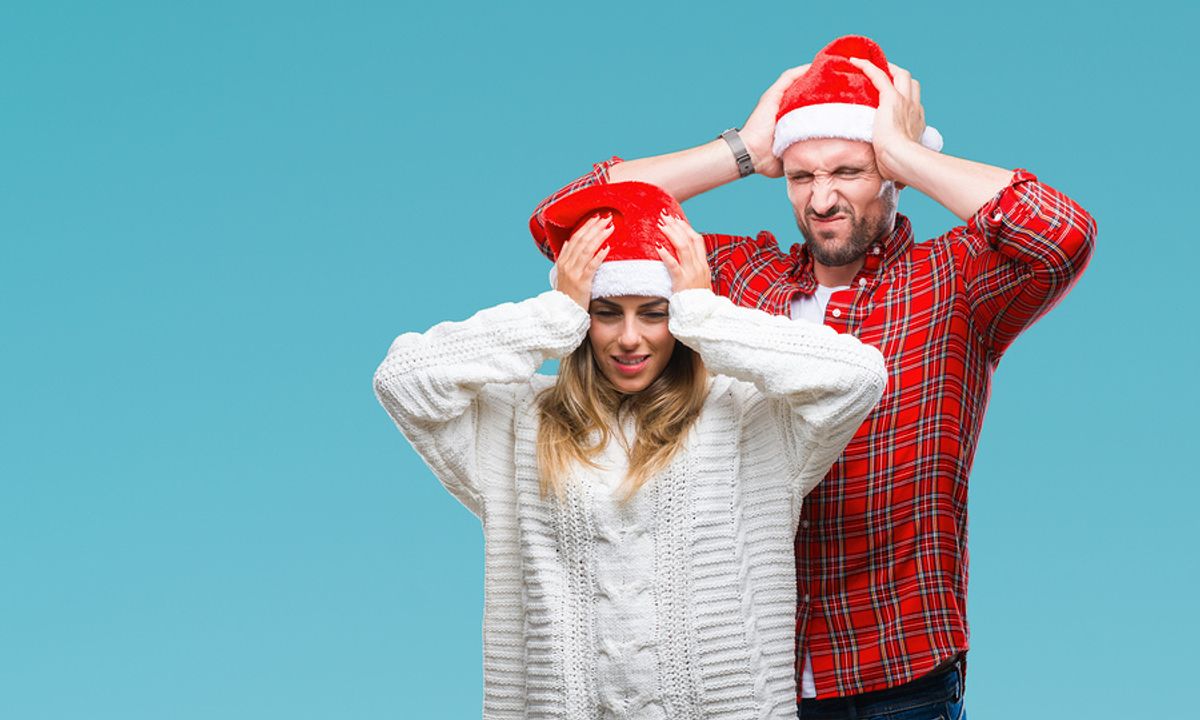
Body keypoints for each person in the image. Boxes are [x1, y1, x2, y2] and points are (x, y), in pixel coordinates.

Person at [529, 36, 1097, 718]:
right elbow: (572, 224)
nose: (823, 199)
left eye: (850, 171)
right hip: (746, 674)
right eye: (802, 177)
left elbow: (1062, 232)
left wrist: (909, 151)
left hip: (899, 673)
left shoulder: (952, 282)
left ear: (888, 173)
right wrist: (743, 148)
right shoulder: (735, 280)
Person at [374, 181, 887, 718]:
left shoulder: (748, 418)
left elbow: (857, 375)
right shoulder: (521, 424)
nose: (629, 337)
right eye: (606, 311)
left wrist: (705, 313)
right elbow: (404, 380)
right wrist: (551, 316)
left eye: (654, 312)